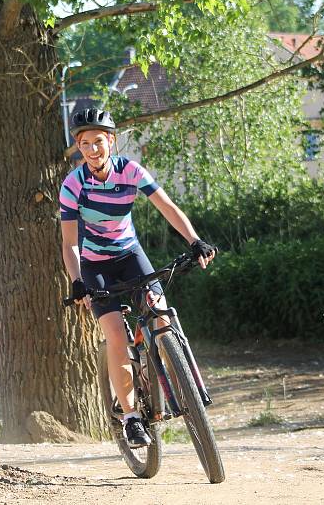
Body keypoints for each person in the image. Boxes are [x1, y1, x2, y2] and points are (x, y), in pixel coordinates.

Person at [58, 107, 216, 448]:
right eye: (84, 143)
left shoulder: (130, 170)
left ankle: (185, 384)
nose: (92, 149)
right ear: (79, 147)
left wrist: (194, 241)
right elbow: (70, 244)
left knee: (161, 316)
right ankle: (130, 417)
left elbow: (168, 207)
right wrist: (77, 281)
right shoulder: (73, 185)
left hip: (130, 256)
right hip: (95, 266)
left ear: (111, 141)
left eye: (98, 141)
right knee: (116, 335)